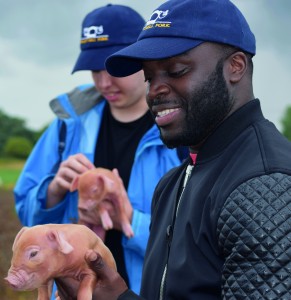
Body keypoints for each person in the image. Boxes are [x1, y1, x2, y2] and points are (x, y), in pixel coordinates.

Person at [57, 0, 291, 299]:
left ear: (235, 67)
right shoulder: (172, 183)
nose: (155, 89)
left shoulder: (266, 185)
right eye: (149, 77)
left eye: (177, 70)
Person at [13, 4, 186, 296]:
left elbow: (192, 244)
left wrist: (130, 221)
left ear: (144, 59)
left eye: (113, 67)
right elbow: (28, 217)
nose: (104, 82)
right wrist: (53, 193)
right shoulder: (67, 126)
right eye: (94, 70)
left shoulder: (181, 133)